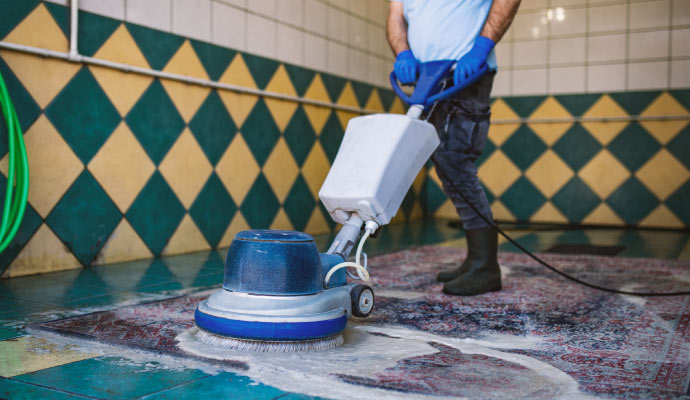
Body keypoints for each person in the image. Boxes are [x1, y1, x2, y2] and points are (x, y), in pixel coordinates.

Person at [387, 0, 521, 296]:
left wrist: (481, 47)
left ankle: (486, 265)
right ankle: (476, 259)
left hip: (465, 71)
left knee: (455, 159)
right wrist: (403, 52)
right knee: (445, 163)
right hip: (426, 78)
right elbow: (396, 15)